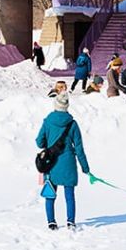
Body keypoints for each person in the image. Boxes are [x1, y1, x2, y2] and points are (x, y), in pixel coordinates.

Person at [35, 87, 91, 229]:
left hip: (51, 163)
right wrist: (85, 167)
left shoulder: (47, 122)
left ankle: (51, 222)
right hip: (68, 164)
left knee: (50, 193)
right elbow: (79, 148)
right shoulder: (72, 124)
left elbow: (39, 142)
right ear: (66, 107)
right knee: (69, 195)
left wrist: (48, 143)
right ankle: (70, 222)